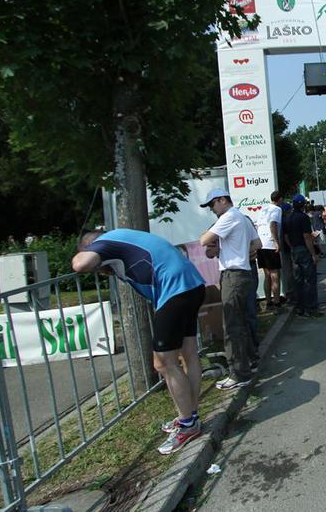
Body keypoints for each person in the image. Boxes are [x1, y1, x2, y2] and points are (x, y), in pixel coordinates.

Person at [72, 229, 205, 454]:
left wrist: (79, 257)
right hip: (191, 285)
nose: (99, 270)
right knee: (188, 354)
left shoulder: (104, 243)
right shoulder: (122, 238)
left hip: (174, 293)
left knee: (164, 364)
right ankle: (190, 416)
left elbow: (80, 265)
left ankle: (188, 425)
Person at [198, 189, 261, 391]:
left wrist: (226, 249)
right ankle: (250, 361)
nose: (211, 209)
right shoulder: (242, 217)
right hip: (243, 273)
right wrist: (239, 252)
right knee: (241, 322)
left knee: (232, 326)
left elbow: (203, 240)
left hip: (232, 275)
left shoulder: (228, 217)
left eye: (212, 205)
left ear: (222, 200)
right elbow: (257, 244)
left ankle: (239, 374)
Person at [284, 194, 322, 317]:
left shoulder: (287, 218)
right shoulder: (303, 217)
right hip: (304, 249)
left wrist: (292, 247)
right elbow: (307, 237)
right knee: (310, 279)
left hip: (294, 250)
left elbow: (286, 236)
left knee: (298, 280)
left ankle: (300, 307)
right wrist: (313, 253)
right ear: (303, 205)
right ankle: (311, 308)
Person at [255, 190, 284, 310]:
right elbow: (272, 224)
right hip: (270, 244)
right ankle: (277, 302)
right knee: (275, 275)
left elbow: (257, 226)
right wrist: (276, 242)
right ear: (280, 199)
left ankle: (268, 302)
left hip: (261, 245)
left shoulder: (263, 209)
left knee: (267, 275)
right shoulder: (277, 209)